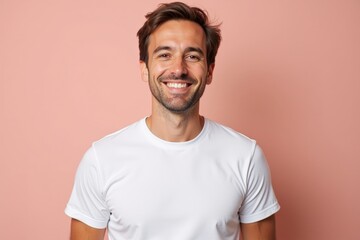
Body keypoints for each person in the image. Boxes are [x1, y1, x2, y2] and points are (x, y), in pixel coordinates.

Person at [65, 2, 280, 240]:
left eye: (192, 55)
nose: (178, 69)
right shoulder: (101, 159)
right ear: (145, 69)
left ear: (209, 71)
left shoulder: (246, 157)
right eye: (165, 54)